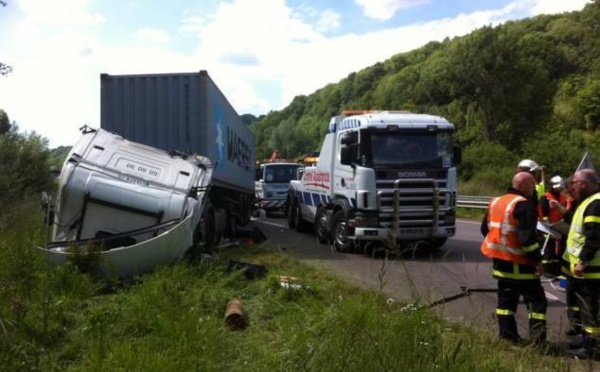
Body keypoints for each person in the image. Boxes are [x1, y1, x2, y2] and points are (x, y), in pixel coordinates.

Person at [481, 171, 547, 345]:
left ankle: (508, 338)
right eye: (533, 185)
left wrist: (501, 248)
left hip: (501, 265)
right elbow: (527, 240)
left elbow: (485, 230)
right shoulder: (524, 205)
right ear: (524, 186)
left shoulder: (496, 202)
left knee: (505, 304)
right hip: (522, 266)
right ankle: (538, 342)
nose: (534, 188)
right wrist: (537, 261)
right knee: (537, 304)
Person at [561, 169, 600, 359]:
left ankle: (591, 348)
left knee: (590, 310)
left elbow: (594, 237)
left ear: (583, 183)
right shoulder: (587, 201)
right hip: (586, 269)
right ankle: (586, 340)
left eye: (575, 182)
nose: (572, 186)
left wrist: (583, 261)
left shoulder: (595, 203)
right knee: (586, 309)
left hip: (592, 269)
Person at [539, 175, 567, 277]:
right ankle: (546, 269)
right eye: (557, 188)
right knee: (548, 249)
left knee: (560, 249)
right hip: (546, 227)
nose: (558, 189)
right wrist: (546, 222)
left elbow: (565, 210)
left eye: (560, 188)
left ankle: (556, 269)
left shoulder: (563, 197)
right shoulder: (545, 196)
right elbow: (542, 212)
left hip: (559, 226)